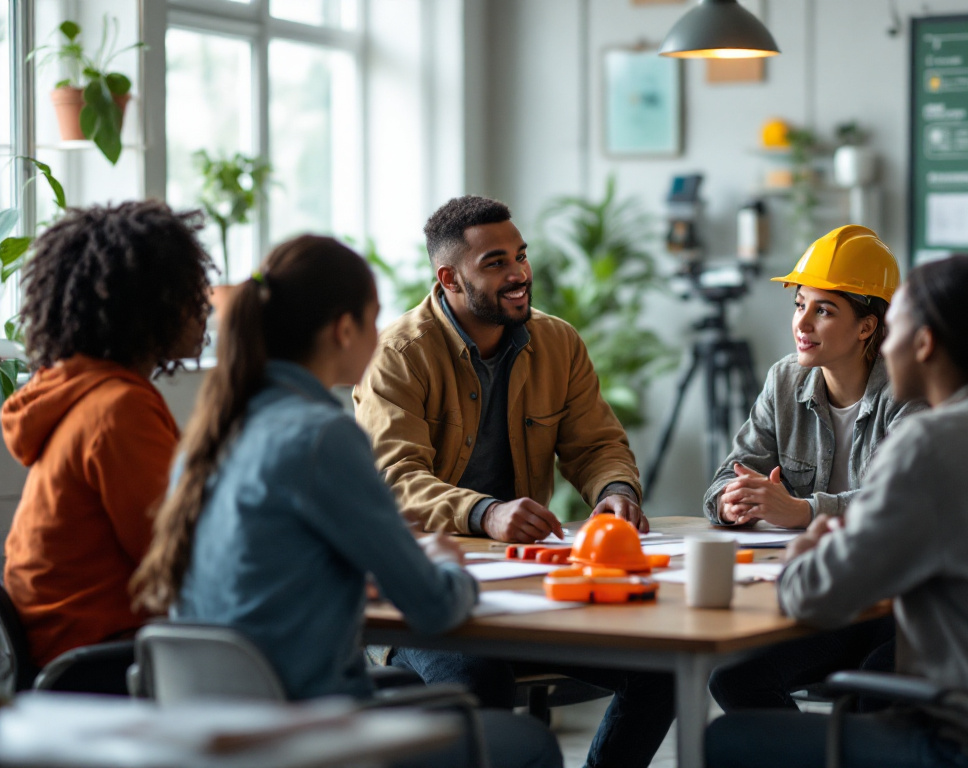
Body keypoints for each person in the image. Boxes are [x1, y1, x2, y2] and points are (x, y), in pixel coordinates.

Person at [131, 236, 559, 768]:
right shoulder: (322, 436)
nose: (381, 338)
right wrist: (450, 567)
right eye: (374, 319)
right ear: (344, 328)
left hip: (218, 734)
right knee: (531, 746)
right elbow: (433, 607)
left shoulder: (211, 437)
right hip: (312, 734)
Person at [707, 254, 968, 768]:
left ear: (922, 344)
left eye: (892, 330)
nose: (885, 348)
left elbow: (814, 598)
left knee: (726, 740)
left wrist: (809, 548)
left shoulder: (931, 441)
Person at [354, 196, 673, 768]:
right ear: (449, 278)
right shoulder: (398, 356)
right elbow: (394, 479)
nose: (519, 273)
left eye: (520, 256)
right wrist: (486, 513)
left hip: (528, 589)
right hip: (426, 596)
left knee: (661, 670)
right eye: (496, 262)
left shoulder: (559, 343)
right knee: (480, 680)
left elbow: (598, 445)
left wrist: (614, 494)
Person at [703, 225, 919, 711]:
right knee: (733, 679)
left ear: (867, 325)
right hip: (824, 596)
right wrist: (734, 501)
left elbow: (899, 505)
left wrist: (801, 511)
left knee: (866, 692)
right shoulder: (784, 379)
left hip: (896, 604)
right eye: (800, 305)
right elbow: (724, 479)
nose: (803, 323)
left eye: (824, 310)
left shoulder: (910, 388)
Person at [2, 201, 210, 688]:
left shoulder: (82, 394)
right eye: (188, 292)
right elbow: (179, 557)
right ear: (144, 304)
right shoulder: (117, 409)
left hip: (76, 652)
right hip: (105, 662)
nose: (204, 306)